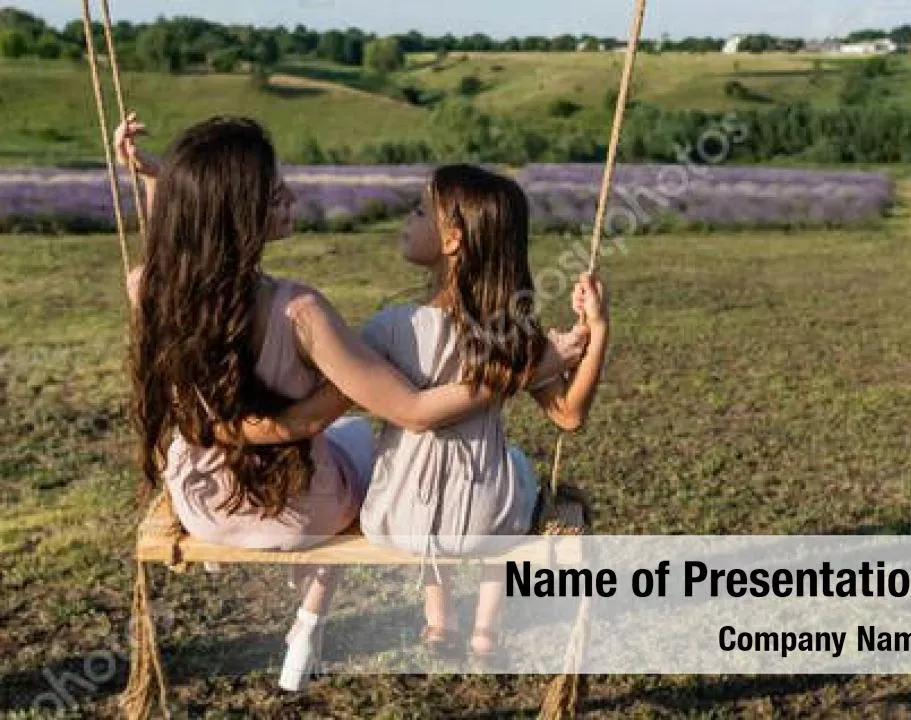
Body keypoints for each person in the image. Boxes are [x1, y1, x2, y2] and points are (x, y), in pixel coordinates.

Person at [115, 117, 584, 689]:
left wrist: (160, 182)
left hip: (203, 505)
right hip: (294, 515)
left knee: (337, 445)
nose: (291, 197)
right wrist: (516, 370)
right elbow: (411, 411)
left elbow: (178, 251)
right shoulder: (301, 312)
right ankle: (309, 622)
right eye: (274, 193)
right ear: (239, 214)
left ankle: (310, 629)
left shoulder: (148, 288)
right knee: (363, 452)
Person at [356, 165, 610, 661]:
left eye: (418, 211)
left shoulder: (389, 328)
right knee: (512, 468)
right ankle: (485, 631)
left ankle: (438, 622)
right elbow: (569, 415)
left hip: (395, 517)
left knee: (425, 480)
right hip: (486, 519)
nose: (406, 219)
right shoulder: (514, 337)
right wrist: (597, 330)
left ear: (453, 240)